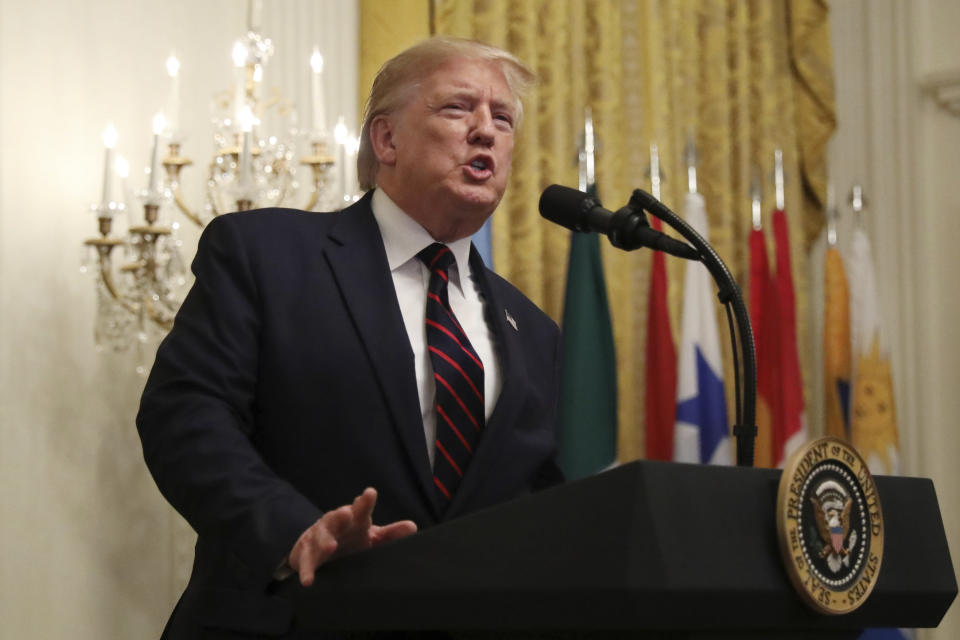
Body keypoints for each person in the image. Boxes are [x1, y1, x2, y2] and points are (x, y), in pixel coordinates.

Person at [137, 36, 564, 638]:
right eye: (457, 108)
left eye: (503, 119)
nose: (485, 130)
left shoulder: (533, 331)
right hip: (285, 616)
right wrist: (291, 530)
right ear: (386, 140)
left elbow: (539, 500)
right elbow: (184, 415)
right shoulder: (267, 255)